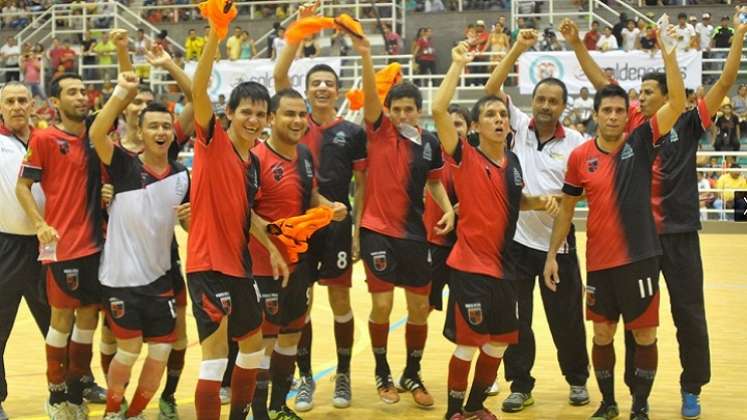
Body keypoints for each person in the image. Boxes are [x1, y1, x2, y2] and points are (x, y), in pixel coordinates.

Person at [564, 11, 747, 418]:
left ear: (668, 95)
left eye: (648, 92)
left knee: (689, 316)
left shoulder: (688, 121)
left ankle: (692, 388)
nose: (640, 98)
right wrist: (578, 45)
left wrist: (737, 38)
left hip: (679, 235)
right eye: (639, 93)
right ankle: (635, 398)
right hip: (638, 242)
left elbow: (726, 83)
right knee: (636, 325)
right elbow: (601, 85)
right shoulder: (631, 125)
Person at [433, 41, 558, 420]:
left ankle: (475, 407)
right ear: (475, 126)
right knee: (468, 346)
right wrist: (456, 64)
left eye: (502, 114)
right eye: (490, 115)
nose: (499, 120)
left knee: (500, 343)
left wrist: (537, 202)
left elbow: (510, 201)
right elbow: (439, 109)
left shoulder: (514, 162)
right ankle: (454, 412)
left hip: (505, 269)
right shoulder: (465, 155)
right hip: (470, 268)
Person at [484, 29, 591, 413]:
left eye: (553, 101)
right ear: (534, 102)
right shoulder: (518, 126)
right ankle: (520, 384)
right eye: (541, 99)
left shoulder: (576, 141)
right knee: (517, 321)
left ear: (563, 106)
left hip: (557, 246)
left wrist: (562, 201)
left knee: (566, 320)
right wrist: (518, 48)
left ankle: (577, 380)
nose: (546, 106)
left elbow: (581, 192)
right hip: (515, 244)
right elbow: (491, 87)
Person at [189, 9, 289, 419]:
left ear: (266, 122)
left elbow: (247, 215)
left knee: (251, 348)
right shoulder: (211, 141)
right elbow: (197, 89)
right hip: (208, 265)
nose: (253, 119)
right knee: (214, 359)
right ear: (229, 113)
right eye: (245, 111)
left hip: (239, 268)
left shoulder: (253, 165)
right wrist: (216, 35)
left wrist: (275, 248)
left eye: (260, 114)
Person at [352, 32, 455, 408]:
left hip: (415, 236)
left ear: (419, 111)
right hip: (377, 231)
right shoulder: (377, 132)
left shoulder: (429, 143)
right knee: (381, 308)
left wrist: (446, 209)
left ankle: (412, 372)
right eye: (396, 109)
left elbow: (435, 183)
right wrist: (365, 55)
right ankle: (382, 371)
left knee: (418, 309)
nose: (401, 115)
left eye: (408, 109)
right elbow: (370, 95)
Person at [272, 2, 367, 410]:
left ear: (338, 89)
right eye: (316, 84)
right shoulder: (294, 122)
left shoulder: (351, 132)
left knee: (340, 302)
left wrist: (359, 229)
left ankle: (343, 375)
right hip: (298, 226)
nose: (323, 88)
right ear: (307, 91)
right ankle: (306, 377)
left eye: (330, 83)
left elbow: (361, 185)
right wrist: (297, 31)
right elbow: (279, 76)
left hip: (339, 226)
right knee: (301, 302)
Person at [90, 71, 190, 420]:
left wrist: (190, 218)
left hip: (160, 279)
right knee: (129, 351)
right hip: (119, 280)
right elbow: (96, 133)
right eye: (153, 127)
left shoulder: (182, 175)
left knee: (161, 350)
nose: (161, 132)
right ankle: (113, 409)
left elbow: (189, 225)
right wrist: (122, 91)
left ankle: (134, 413)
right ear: (141, 133)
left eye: (166, 126)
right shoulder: (123, 166)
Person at [248, 88, 347, 420]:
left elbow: (312, 194)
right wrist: (273, 242)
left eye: (301, 114)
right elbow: (245, 213)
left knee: (291, 335)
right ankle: (258, 410)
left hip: (298, 264)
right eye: (289, 114)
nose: (297, 120)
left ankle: (278, 406)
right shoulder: (255, 158)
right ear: (272, 118)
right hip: (263, 267)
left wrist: (328, 207)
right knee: (263, 342)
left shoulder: (304, 156)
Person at [16, 72, 104, 419]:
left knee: (88, 322)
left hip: (96, 248)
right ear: (55, 103)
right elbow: (22, 186)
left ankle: (77, 388)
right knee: (60, 323)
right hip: (63, 248)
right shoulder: (45, 139)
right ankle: (55, 395)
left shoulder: (97, 138)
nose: (81, 96)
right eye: (72, 92)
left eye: (84, 90)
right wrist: (40, 223)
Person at [0, 82, 51, 420]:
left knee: (59, 325)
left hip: (46, 246)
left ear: (33, 104)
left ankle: (66, 391)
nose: (17, 106)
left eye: (22, 100)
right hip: (5, 246)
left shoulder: (45, 140)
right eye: (10, 101)